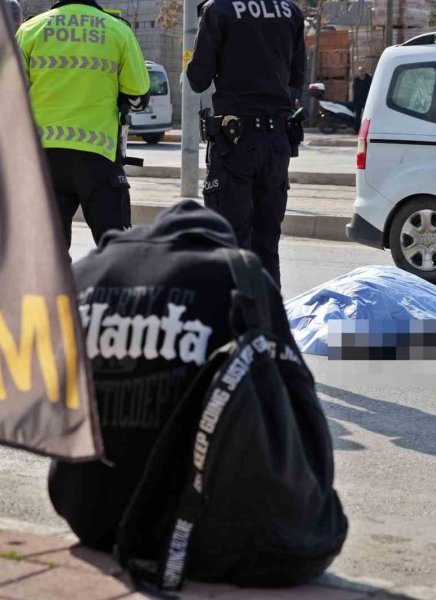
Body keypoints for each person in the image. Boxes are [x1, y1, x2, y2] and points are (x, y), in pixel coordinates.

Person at [48, 201, 302, 552]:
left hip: (84, 513)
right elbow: (293, 394)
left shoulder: (85, 271)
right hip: (193, 530)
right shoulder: (242, 277)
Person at [186, 0, 306, 288]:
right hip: (276, 141)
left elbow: (197, 79)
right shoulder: (290, 11)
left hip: (235, 142)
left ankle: (234, 324)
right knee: (267, 245)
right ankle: (270, 324)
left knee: (230, 243)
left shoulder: (219, 10)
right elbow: (296, 77)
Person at [16, 0, 150, 249]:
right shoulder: (118, 30)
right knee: (116, 247)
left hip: (43, 159)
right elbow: (138, 94)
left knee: (47, 255)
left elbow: (10, 94)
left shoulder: (30, 30)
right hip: (98, 157)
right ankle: (113, 288)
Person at [352, 66, 372, 133]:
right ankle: (356, 130)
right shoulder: (356, 80)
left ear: (365, 71)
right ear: (358, 72)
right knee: (357, 115)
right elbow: (355, 90)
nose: (361, 73)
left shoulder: (368, 79)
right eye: (360, 71)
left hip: (366, 100)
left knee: (367, 115)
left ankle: (366, 130)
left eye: (363, 71)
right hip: (358, 100)